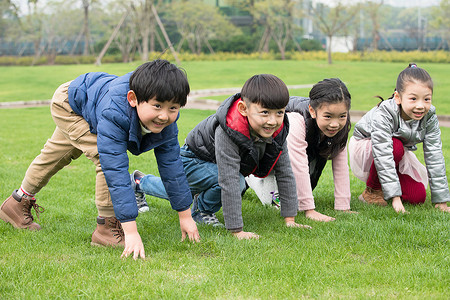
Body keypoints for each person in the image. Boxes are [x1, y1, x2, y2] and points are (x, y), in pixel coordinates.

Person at [0, 59, 200, 260]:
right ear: (133, 99)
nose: (164, 116)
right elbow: (115, 169)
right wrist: (131, 231)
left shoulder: (165, 122)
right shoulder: (115, 113)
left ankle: (16, 203)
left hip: (89, 102)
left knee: (54, 155)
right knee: (102, 155)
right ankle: (105, 228)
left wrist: (185, 216)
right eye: (157, 106)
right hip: (69, 104)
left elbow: (171, 166)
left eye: (173, 108)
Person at [134, 74, 311, 239]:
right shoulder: (229, 129)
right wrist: (237, 231)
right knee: (178, 192)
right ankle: (139, 183)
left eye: (279, 112)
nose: (272, 120)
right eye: (265, 112)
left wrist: (290, 220)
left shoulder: (277, 131)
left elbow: (285, 173)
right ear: (243, 109)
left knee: (230, 181)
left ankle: (200, 208)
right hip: (193, 159)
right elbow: (229, 179)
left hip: (213, 164)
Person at [246, 78, 355, 222]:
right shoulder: (296, 120)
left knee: (294, 199)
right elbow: (298, 164)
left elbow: (341, 165)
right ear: (312, 111)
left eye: (342, 116)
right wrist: (309, 209)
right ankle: (251, 177)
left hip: (297, 160)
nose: (335, 124)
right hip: (269, 159)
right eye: (328, 116)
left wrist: (343, 206)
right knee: (276, 204)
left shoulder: (342, 125)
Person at [349, 63, 450, 213]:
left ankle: (386, 188)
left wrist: (441, 201)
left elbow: (434, 156)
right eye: (413, 99)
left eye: (427, 99)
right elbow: (383, 152)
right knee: (395, 147)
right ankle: (372, 192)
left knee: (417, 197)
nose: (421, 106)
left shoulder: (429, 117)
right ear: (398, 97)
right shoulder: (384, 113)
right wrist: (395, 199)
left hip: (398, 152)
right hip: (368, 148)